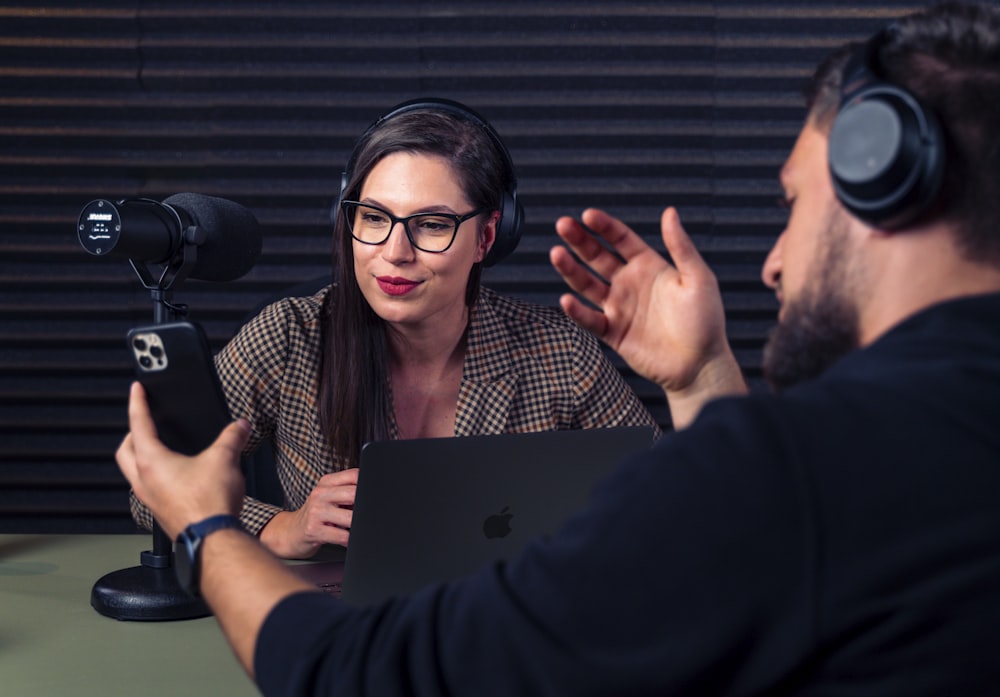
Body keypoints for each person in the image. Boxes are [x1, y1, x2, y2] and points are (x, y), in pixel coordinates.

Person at [117, 2, 1000, 693]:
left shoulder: (593, 371)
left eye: (791, 205)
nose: (772, 262)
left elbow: (356, 674)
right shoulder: (290, 334)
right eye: (372, 219)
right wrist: (700, 378)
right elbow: (725, 541)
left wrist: (211, 526)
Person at [128, 98, 658, 559]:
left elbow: (670, 498)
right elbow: (156, 482)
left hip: (503, 627)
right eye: (374, 218)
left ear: (487, 236)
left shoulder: (559, 354)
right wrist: (279, 527)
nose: (394, 254)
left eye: (431, 225)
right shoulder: (289, 336)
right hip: (337, 632)